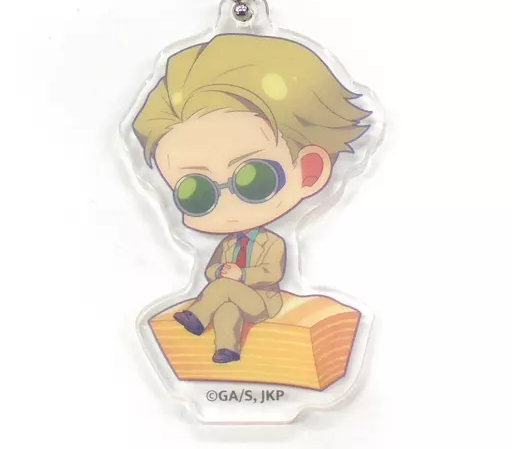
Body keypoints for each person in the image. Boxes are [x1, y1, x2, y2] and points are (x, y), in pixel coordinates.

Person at [132, 34, 370, 363]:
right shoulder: (228, 245)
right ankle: (227, 350)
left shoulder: (272, 243)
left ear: (309, 171)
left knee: (226, 291)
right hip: (234, 296)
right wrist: (222, 271)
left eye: (253, 180)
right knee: (227, 307)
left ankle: (197, 317)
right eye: (196, 193)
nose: (228, 206)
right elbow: (212, 271)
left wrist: (238, 276)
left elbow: (270, 273)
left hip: (263, 302)